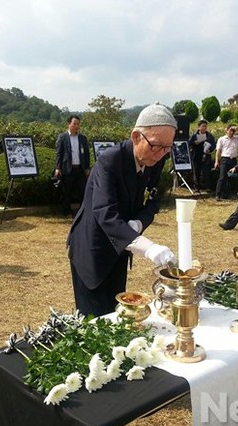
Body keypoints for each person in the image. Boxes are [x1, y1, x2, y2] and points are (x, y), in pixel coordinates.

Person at [67, 103, 177, 317]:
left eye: (167, 148)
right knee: (95, 319)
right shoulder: (110, 160)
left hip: (121, 247)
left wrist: (138, 223)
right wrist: (148, 247)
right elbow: (104, 213)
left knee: (117, 312)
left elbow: (153, 202)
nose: (161, 154)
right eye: (156, 146)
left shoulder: (155, 159)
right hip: (93, 249)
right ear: (136, 136)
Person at [54, 115, 90, 216]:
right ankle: (66, 211)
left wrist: (87, 167)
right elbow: (58, 153)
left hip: (80, 169)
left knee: (83, 191)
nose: (76, 126)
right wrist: (58, 167)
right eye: (74, 124)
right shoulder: (62, 137)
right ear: (69, 124)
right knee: (66, 191)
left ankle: (82, 211)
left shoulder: (82, 138)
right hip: (67, 169)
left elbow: (86, 154)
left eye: (78, 124)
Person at [214, 124, 238, 201]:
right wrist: (217, 161)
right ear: (226, 130)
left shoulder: (236, 138)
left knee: (232, 177)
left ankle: (226, 194)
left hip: (233, 159)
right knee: (222, 177)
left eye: (233, 131)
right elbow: (218, 151)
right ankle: (218, 194)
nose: (232, 132)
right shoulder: (221, 139)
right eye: (230, 130)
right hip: (225, 159)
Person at [188, 119, 216, 191]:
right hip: (196, 155)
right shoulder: (194, 135)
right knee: (196, 171)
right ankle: (196, 186)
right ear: (199, 127)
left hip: (206, 155)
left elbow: (213, 145)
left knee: (206, 171)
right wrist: (195, 143)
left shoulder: (209, 136)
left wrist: (209, 149)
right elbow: (189, 143)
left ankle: (207, 186)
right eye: (202, 126)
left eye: (205, 126)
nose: (204, 128)